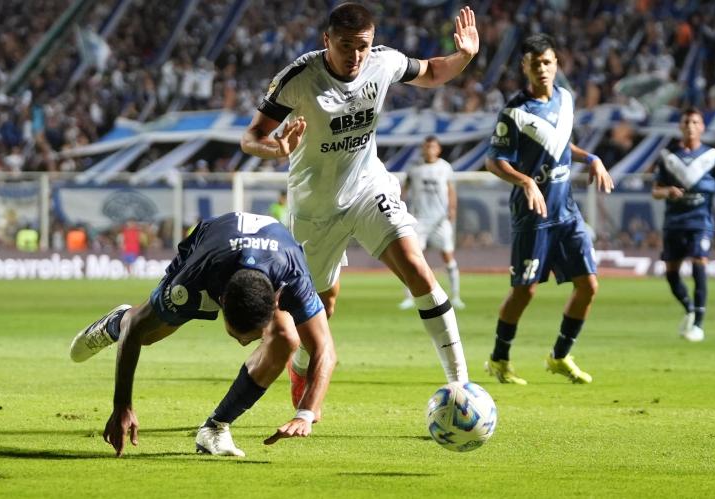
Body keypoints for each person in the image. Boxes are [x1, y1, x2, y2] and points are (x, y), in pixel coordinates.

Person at [240, 3, 479, 399]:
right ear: (326, 41)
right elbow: (250, 137)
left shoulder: (382, 63)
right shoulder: (298, 78)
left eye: (363, 46)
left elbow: (434, 71)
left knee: (418, 270)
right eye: (345, 45)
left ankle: (461, 384)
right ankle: (300, 365)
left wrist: (464, 56)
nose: (355, 56)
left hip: (370, 189)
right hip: (315, 207)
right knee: (321, 305)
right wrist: (276, 149)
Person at [70, 212, 336, 457]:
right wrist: (122, 405)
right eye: (237, 336)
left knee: (287, 338)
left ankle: (215, 428)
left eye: (254, 336)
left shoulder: (294, 278)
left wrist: (305, 414)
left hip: (270, 258)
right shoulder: (191, 283)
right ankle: (115, 321)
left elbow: (324, 348)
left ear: (276, 301)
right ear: (219, 302)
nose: (244, 342)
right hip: (209, 247)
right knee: (146, 333)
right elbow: (136, 329)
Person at [483, 34, 614, 385]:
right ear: (524, 66)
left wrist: (592, 158)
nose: (542, 68)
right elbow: (494, 162)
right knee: (524, 291)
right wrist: (525, 181)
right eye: (535, 63)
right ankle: (498, 359)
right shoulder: (515, 111)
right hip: (533, 215)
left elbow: (559, 144)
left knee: (588, 285)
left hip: (566, 211)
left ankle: (559, 356)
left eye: (548, 62)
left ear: (557, 64)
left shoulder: (566, 99)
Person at [651, 107, 715, 342]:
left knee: (699, 262)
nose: (690, 126)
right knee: (671, 274)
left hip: (700, 221)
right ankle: (689, 308)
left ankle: (698, 324)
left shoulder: (712, 156)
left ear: (702, 127)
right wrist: (668, 191)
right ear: (680, 126)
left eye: (695, 122)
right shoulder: (668, 155)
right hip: (674, 222)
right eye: (686, 122)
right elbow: (655, 191)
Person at [399, 136, 465, 311]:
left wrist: (452, 210)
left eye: (432, 146)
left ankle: (456, 296)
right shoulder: (414, 168)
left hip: (439, 220)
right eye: (426, 146)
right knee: (412, 258)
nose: (429, 149)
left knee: (448, 256)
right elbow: (404, 189)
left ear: (438, 149)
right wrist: (400, 207)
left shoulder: (445, 168)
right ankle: (409, 297)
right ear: (423, 148)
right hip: (419, 220)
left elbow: (451, 190)